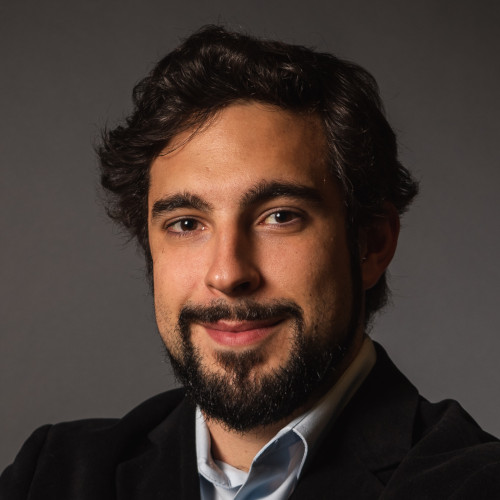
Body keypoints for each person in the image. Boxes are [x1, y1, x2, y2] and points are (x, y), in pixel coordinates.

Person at [1, 25, 499, 500]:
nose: (227, 273)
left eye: (279, 217)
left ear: (372, 244)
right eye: (186, 223)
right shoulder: (51, 477)